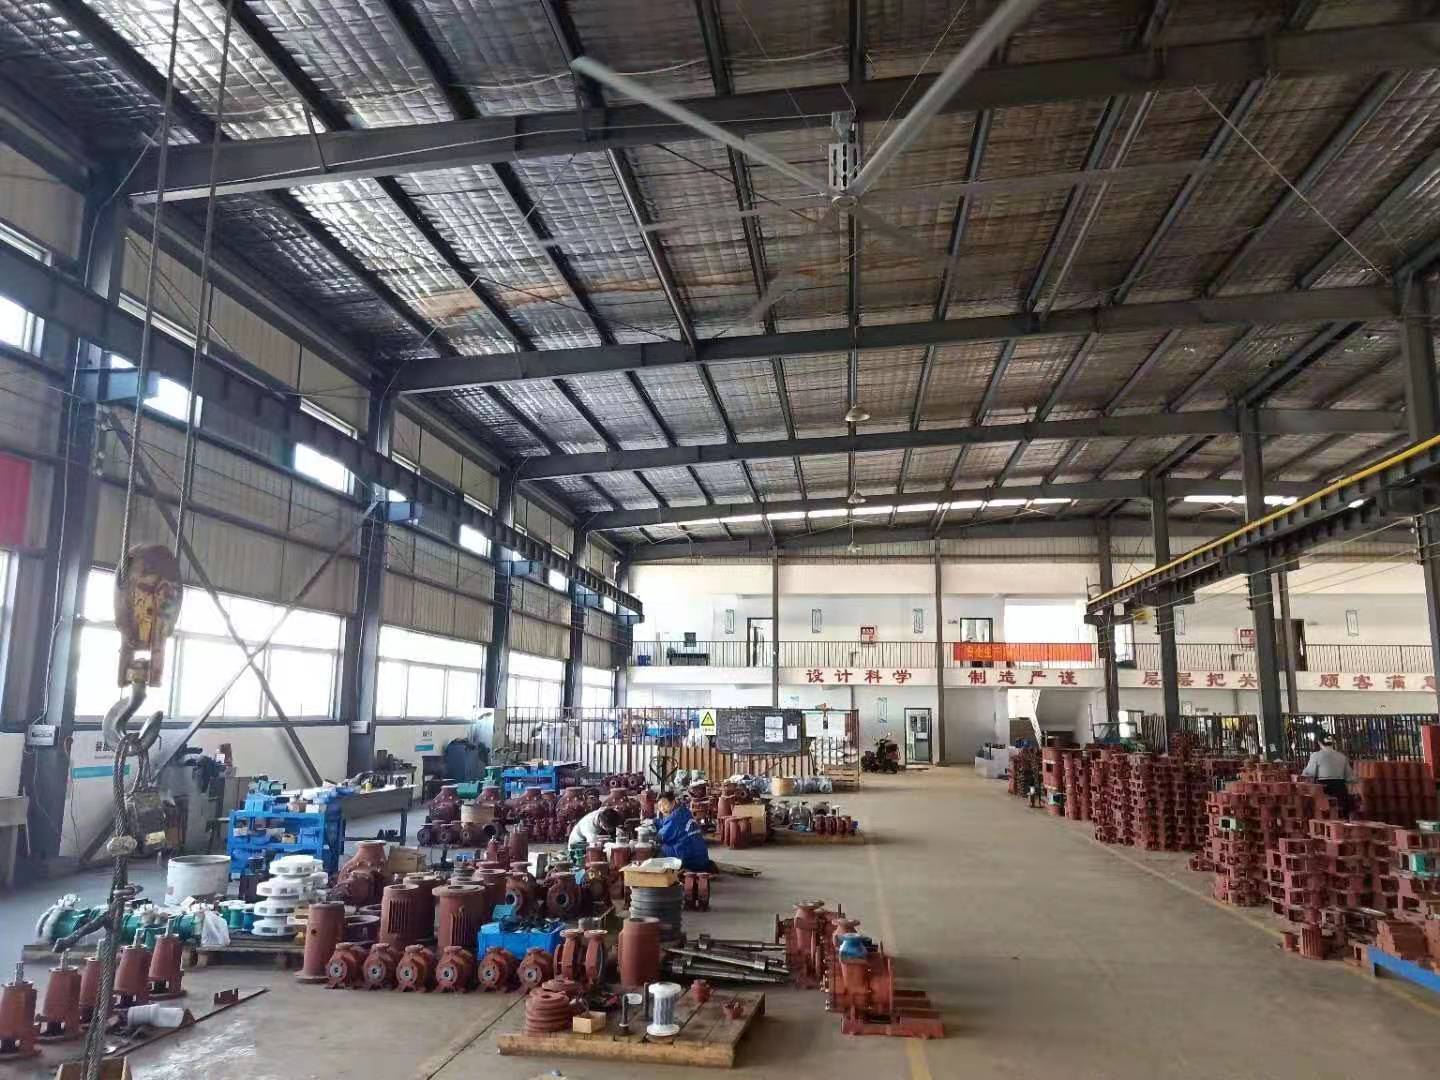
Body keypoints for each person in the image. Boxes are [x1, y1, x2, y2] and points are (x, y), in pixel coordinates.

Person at [654, 791, 713, 872]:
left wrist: (651, 835)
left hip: (690, 860)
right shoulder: (684, 811)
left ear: (673, 802)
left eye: (664, 804)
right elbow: (665, 822)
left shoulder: (674, 817)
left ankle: (671, 873)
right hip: (702, 858)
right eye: (659, 806)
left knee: (659, 848)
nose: (662, 808)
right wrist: (654, 821)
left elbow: (660, 837)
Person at [1301, 733, 1356, 817]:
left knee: (1314, 809)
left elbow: (1310, 773)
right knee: (1342, 813)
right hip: (1340, 789)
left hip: (1323, 790)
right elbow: (1350, 778)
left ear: (1319, 743)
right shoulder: (1342, 757)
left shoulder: (1315, 756)